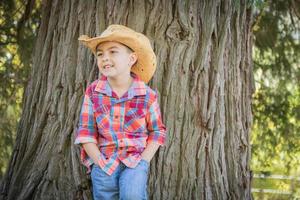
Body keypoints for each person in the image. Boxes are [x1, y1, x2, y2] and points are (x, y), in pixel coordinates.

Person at [74, 24, 167, 200]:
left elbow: (157, 131)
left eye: (113, 52)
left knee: (132, 195)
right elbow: (86, 131)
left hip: (135, 162)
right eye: (100, 54)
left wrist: (143, 161)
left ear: (131, 58)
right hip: (104, 162)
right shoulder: (94, 92)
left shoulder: (147, 95)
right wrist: (98, 161)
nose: (104, 58)